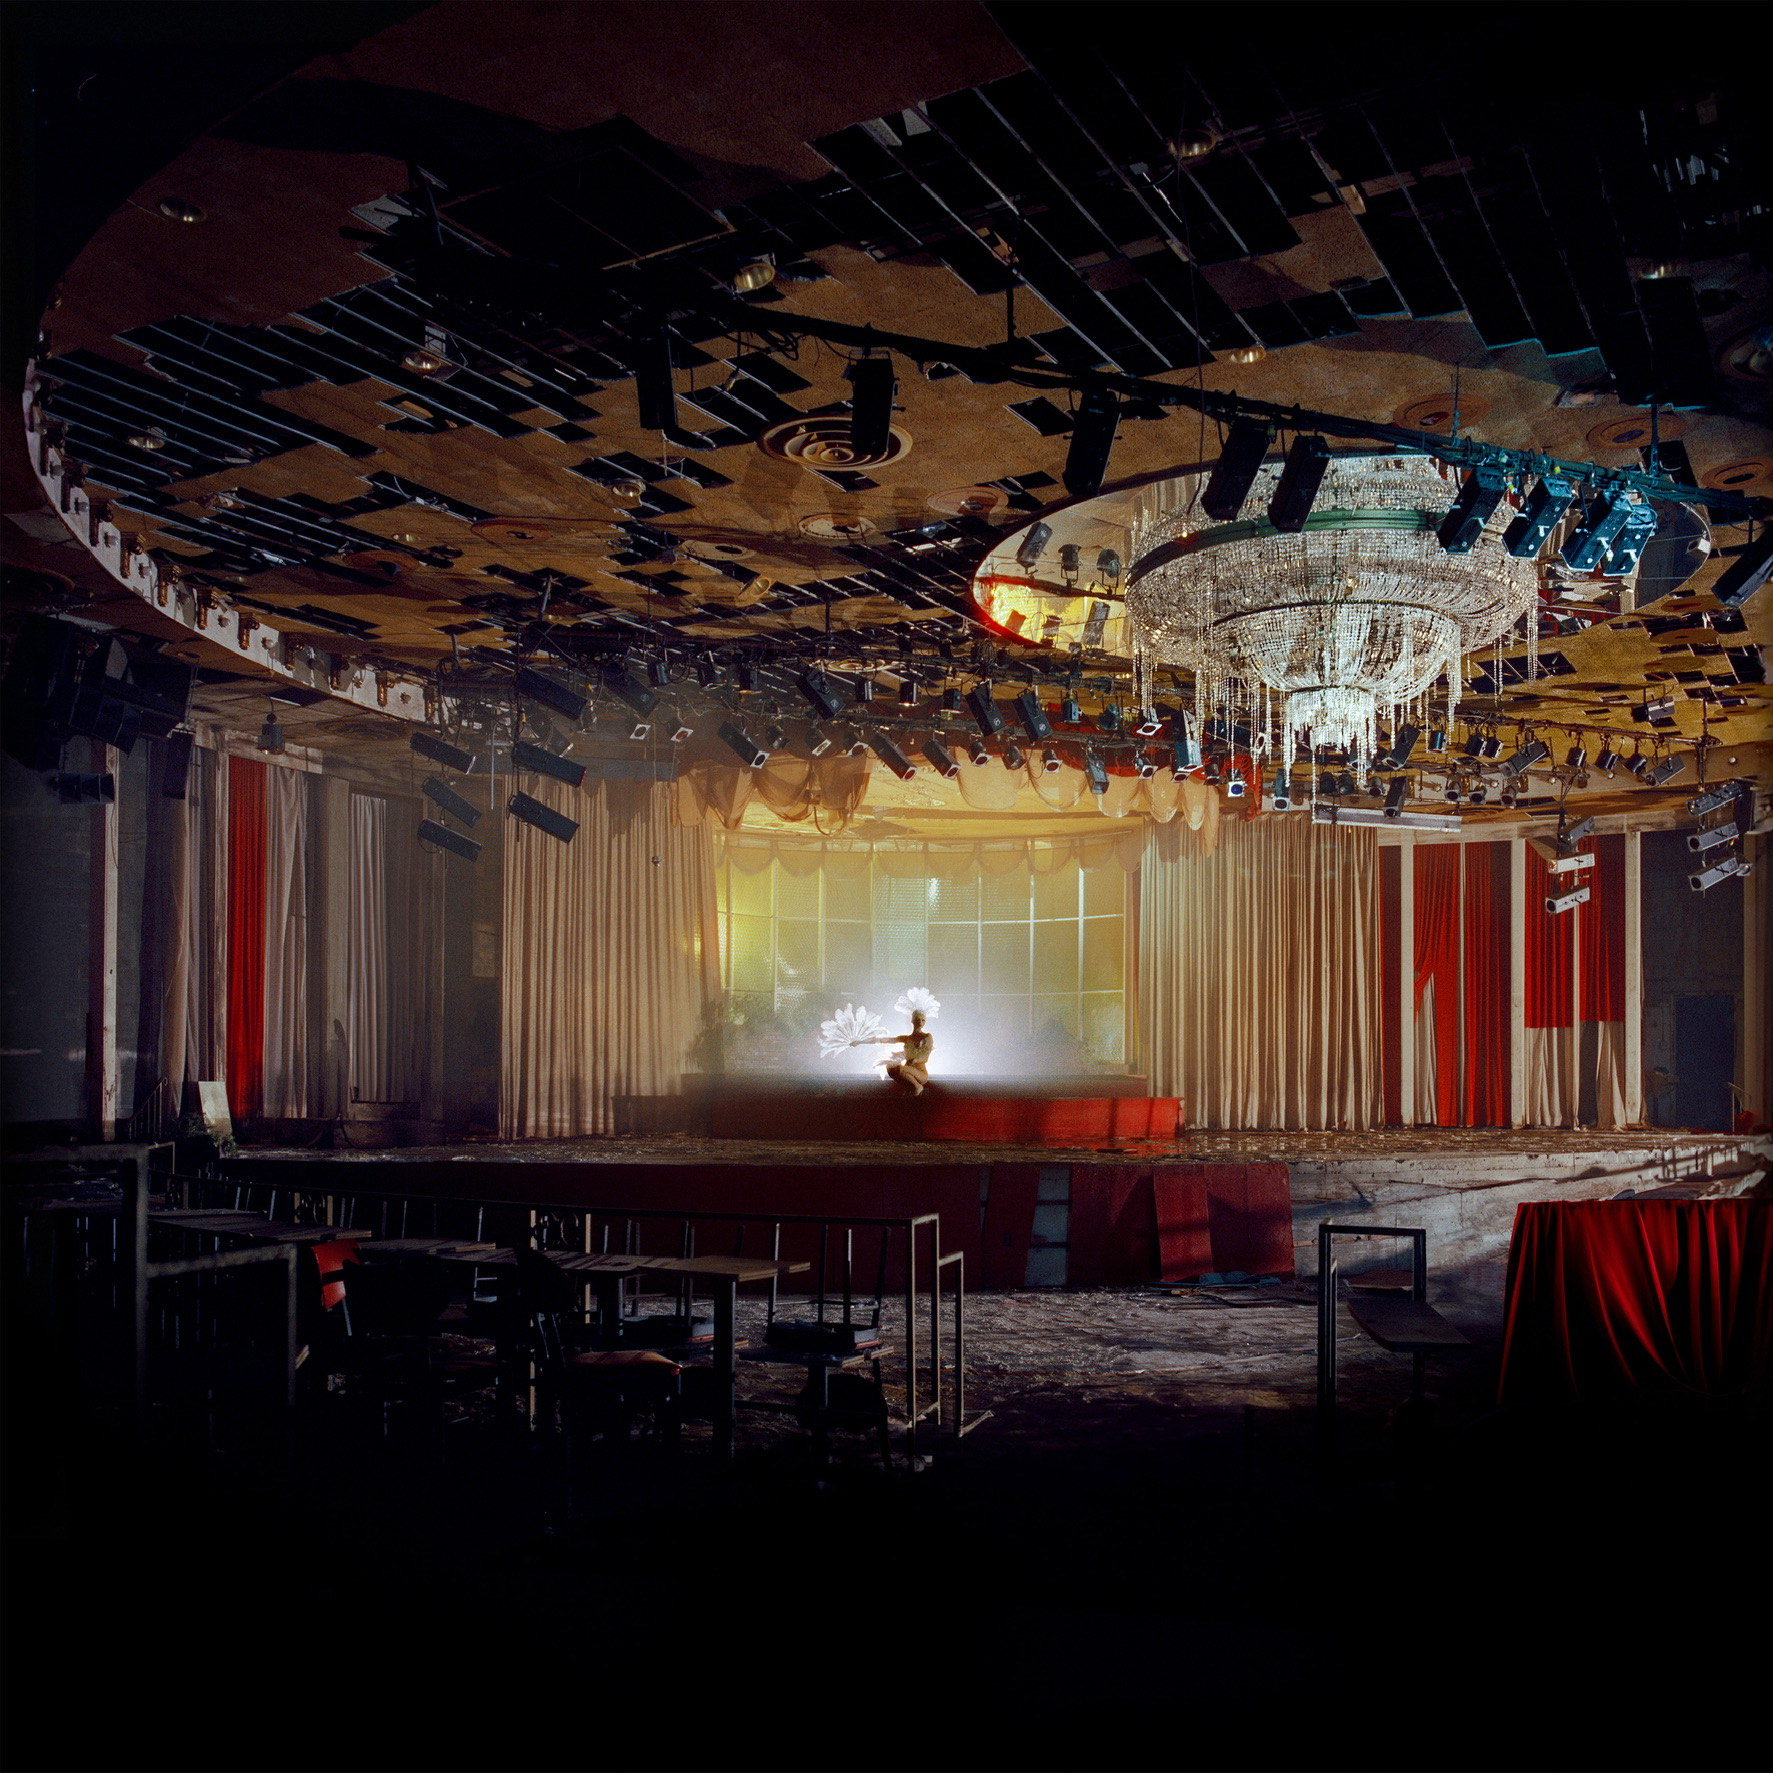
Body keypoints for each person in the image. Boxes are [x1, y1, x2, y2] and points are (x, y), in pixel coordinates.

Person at [852, 1009, 934, 1095]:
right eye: (918, 1019)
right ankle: (910, 1086)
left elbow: (925, 1058)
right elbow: (885, 1040)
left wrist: (915, 1060)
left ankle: (917, 1087)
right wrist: (861, 1041)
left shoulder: (927, 1037)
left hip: (921, 1074)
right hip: (908, 1071)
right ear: (912, 1020)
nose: (920, 1022)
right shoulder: (906, 1038)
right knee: (890, 1068)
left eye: (923, 1020)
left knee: (899, 1068)